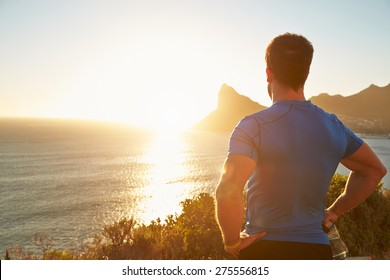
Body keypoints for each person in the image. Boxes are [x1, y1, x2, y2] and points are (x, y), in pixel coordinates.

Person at [215, 33, 387, 260]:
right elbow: (375, 171)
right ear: (306, 73)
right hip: (316, 250)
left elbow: (228, 191)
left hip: (263, 248)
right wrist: (335, 211)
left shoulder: (253, 125)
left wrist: (232, 241)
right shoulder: (333, 126)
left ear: (269, 73)